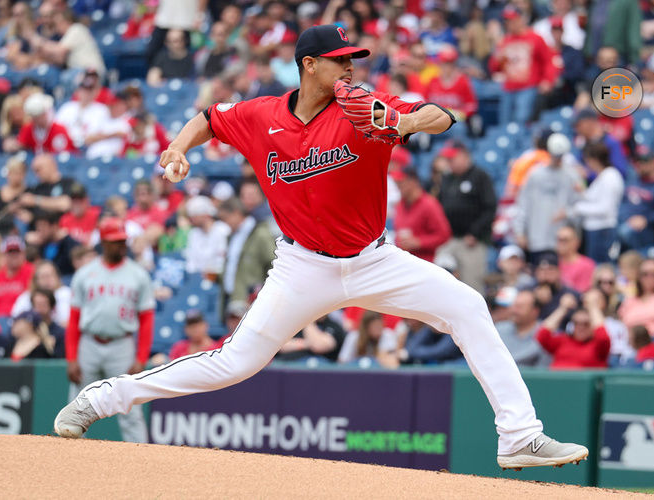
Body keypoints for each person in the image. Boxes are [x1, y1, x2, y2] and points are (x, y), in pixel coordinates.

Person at [55, 24, 587, 469]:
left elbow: (440, 115)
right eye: (339, 61)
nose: (351, 68)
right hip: (301, 265)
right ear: (308, 65)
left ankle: (519, 436)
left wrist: (398, 121)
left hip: (375, 260)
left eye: (354, 59)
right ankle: (104, 398)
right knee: (234, 363)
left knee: (468, 306)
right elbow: (209, 119)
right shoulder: (262, 115)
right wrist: (175, 147)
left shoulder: (362, 109)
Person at [63, 217, 154, 443]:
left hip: (121, 345)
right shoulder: (85, 274)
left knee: (129, 405)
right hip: (89, 344)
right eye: (115, 241)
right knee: (78, 405)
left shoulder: (138, 275)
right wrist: (72, 357)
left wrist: (141, 358)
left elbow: (147, 320)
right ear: (103, 242)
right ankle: (68, 457)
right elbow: (73, 320)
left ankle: (141, 456)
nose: (121, 245)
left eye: (123, 240)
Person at [437, 143, 496, 292]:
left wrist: (475, 233)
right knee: (440, 281)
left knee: (472, 286)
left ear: (464, 156)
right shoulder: (447, 178)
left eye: (453, 158)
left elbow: (490, 207)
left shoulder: (480, 176)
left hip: (471, 241)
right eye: (448, 159)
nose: (450, 163)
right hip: (449, 239)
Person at [513, 133, 579, 262]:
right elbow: (523, 204)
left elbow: (579, 205)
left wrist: (569, 214)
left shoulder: (572, 176)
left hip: (562, 240)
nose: (557, 159)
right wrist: (520, 232)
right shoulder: (534, 174)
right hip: (537, 237)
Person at [488, 5, 556, 125]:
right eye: (507, 21)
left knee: (522, 120)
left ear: (520, 19)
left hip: (528, 87)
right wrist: (497, 52)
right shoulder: (504, 41)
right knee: (504, 122)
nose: (509, 24)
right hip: (508, 87)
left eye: (512, 20)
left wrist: (547, 80)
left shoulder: (535, 38)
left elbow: (548, 61)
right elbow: (495, 68)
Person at [568, 142, 624, 263]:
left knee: (601, 267)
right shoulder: (602, 176)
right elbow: (593, 198)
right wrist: (581, 190)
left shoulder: (611, 177)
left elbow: (605, 209)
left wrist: (577, 209)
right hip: (594, 230)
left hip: (603, 231)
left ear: (593, 159)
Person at [216, 197, 276, 304]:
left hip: (252, 302)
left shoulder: (260, 234)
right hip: (232, 299)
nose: (224, 224)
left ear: (236, 213)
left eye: (225, 218)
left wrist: (262, 294)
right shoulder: (232, 236)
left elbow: (274, 264)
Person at [536, 291, 611, 369]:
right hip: (558, 380)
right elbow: (542, 335)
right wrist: (563, 308)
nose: (580, 327)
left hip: (583, 381)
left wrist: (593, 307)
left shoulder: (598, 346)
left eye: (586, 324)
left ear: (593, 325)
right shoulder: (563, 340)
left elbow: (603, 338)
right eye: (576, 323)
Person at [617, 149, 654, 251]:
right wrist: (628, 218)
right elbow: (622, 205)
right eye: (638, 161)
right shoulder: (633, 181)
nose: (640, 164)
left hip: (650, 228)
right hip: (628, 222)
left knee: (625, 232)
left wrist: (646, 219)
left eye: (644, 161)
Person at [392, 166, 451, 263]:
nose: (398, 186)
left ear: (413, 181)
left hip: (425, 262)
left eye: (401, 182)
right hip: (404, 261)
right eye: (396, 183)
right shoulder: (399, 204)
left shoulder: (429, 204)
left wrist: (419, 242)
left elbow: (444, 235)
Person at [0, 236, 34, 317]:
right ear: (3, 255)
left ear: (24, 254)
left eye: (17, 252)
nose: (14, 255)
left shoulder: (32, 272)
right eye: (10, 252)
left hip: (23, 318)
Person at [495, 289, 550, 368]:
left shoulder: (545, 334)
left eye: (519, 307)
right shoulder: (499, 329)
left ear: (534, 311)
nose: (514, 311)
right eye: (514, 306)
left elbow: (543, 371)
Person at [11, 259, 72, 328]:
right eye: (43, 277)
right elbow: (15, 322)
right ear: (36, 280)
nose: (47, 280)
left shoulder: (66, 293)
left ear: (57, 277)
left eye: (49, 276)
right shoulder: (26, 297)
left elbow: (71, 321)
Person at [184, 195, 229, 278]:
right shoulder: (193, 233)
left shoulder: (222, 230)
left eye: (194, 216)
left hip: (217, 277)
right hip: (196, 278)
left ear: (205, 215)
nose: (191, 220)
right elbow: (191, 261)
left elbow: (222, 260)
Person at [276, 313, 347, 363]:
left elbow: (319, 346)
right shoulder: (294, 324)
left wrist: (308, 321)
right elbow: (280, 346)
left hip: (317, 370)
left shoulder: (333, 326)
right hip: (286, 365)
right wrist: (308, 343)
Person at [398, 318, 463, 365]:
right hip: (441, 366)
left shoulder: (452, 330)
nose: (434, 322)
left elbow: (439, 352)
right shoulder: (429, 329)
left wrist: (408, 353)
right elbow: (411, 348)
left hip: (460, 365)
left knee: (448, 365)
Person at [555, 226, 595, 294]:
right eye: (559, 240)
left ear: (576, 242)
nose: (561, 244)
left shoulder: (586, 265)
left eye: (565, 240)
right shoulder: (553, 263)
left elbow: (583, 292)